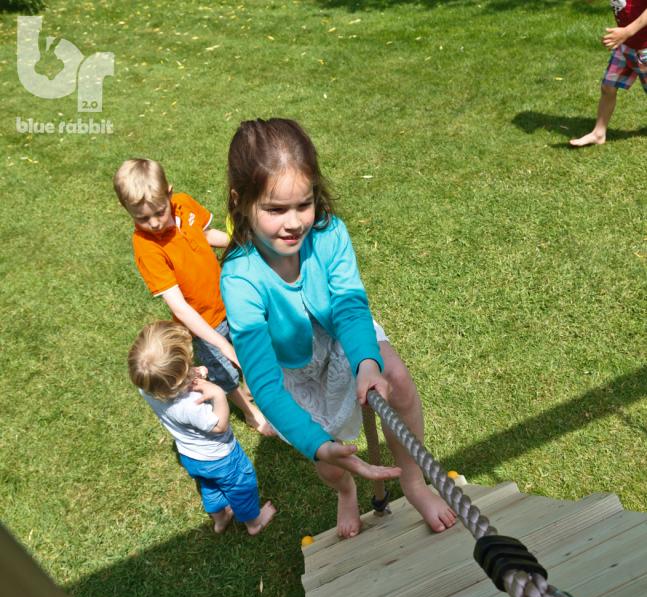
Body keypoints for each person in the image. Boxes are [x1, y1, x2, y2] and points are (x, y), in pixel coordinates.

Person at [220, 118, 457, 539]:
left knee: (396, 379)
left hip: (343, 334)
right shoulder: (240, 280)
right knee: (328, 455)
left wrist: (367, 362)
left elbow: (349, 305)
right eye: (275, 210)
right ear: (241, 202)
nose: (294, 222)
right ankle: (345, 492)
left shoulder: (329, 234)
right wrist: (316, 444)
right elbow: (265, 384)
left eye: (304, 204)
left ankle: (414, 482)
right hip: (294, 368)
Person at [113, 157, 273, 435]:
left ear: (170, 194)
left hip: (230, 300)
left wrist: (243, 243)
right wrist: (220, 344)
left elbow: (206, 234)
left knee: (250, 345)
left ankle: (254, 385)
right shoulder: (146, 247)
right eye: (142, 218)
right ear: (125, 209)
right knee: (223, 372)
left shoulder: (184, 204)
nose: (154, 223)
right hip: (203, 325)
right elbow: (179, 307)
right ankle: (250, 413)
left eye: (159, 212)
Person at [128, 321, 276, 535]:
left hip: (191, 456)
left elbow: (170, 381)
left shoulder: (148, 387)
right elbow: (219, 425)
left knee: (211, 487)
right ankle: (254, 523)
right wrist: (217, 394)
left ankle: (220, 519)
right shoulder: (190, 405)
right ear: (178, 380)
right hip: (221, 457)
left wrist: (192, 374)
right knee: (240, 486)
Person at [570, 1, 647, 146]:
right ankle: (598, 134)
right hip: (625, 46)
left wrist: (627, 31)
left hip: (644, 48)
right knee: (608, 87)